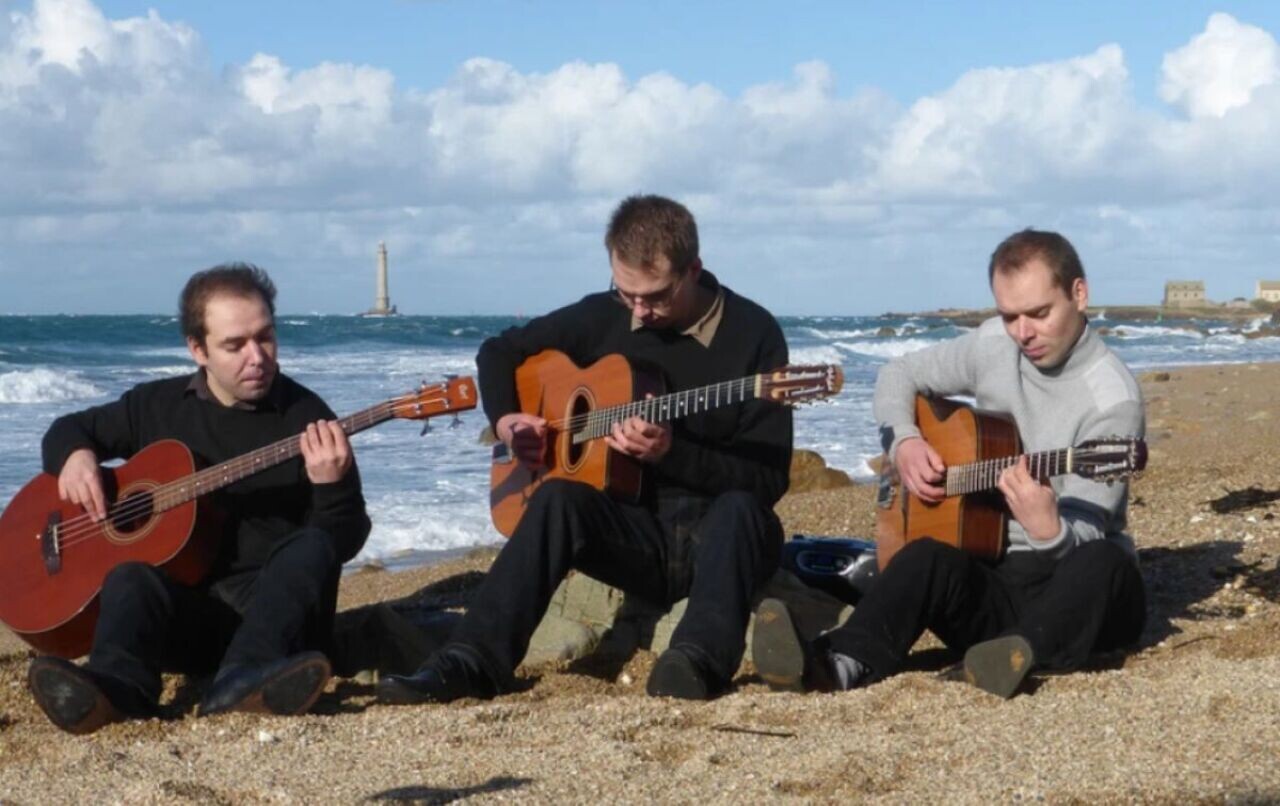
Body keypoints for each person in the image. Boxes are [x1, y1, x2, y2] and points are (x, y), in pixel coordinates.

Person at [378, 194, 792, 703]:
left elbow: (769, 482)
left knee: (741, 510)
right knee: (556, 499)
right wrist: (507, 420)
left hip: (718, 536)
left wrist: (671, 453)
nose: (640, 310)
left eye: (656, 296)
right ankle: (469, 662)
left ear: (693, 270)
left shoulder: (754, 334)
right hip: (635, 535)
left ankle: (696, 662)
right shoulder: (603, 316)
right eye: (626, 294)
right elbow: (499, 351)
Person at [753, 229, 1146, 699]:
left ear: (1079, 295)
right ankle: (837, 665)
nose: (1024, 333)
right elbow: (897, 374)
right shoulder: (995, 345)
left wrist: (1050, 532)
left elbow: (1087, 531)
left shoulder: (1112, 400)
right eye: (1010, 316)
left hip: (1082, 603)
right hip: (1000, 580)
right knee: (925, 557)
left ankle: (1018, 656)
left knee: (1103, 560)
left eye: (1040, 313)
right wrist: (905, 442)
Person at [27, 264, 370, 734]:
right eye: (235, 345)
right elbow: (69, 428)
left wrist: (331, 487)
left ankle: (241, 682)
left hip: (275, 622)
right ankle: (119, 688)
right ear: (198, 349)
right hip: (189, 619)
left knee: (308, 547)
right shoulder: (157, 406)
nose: (258, 357)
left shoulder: (308, 417)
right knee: (130, 577)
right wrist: (75, 457)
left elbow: (344, 540)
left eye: (265, 337)